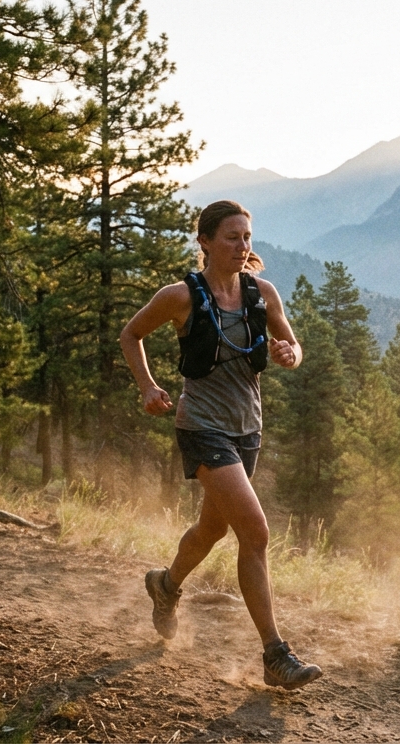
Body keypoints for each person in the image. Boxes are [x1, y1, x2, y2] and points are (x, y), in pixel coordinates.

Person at [119, 200, 323, 690]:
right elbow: (131, 334)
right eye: (232, 237)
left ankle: (165, 585)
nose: (242, 246)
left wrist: (288, 352)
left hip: (247, 430)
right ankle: (275, 655)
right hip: (202, 426)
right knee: (254, 532)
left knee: (211, 530)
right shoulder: (180, 296)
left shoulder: (262, 294)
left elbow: (294, 352)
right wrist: (147, 387)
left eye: (247, 237)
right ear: (205, 242)